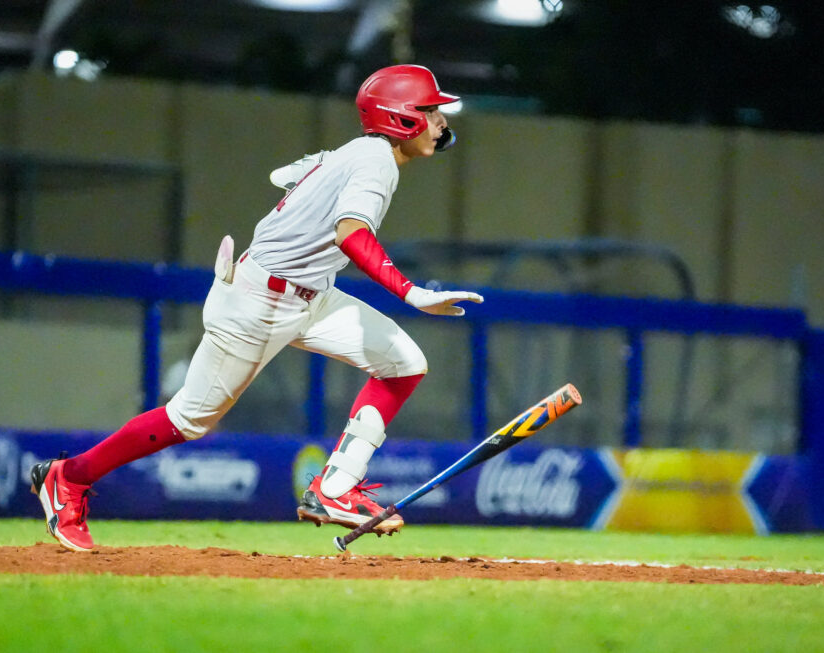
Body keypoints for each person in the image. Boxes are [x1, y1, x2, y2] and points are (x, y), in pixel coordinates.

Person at [29, 64, 483, 552]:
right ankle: (68, 477)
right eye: (430, 110)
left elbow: (285, 177)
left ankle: (333, 489)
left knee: (404, 364)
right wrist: (411, 293)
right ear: (401, 119)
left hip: (309, 294)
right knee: (190, 420)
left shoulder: (360, 154)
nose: (440, 120)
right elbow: (351, 235)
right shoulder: (374, 162)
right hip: (260, 301)